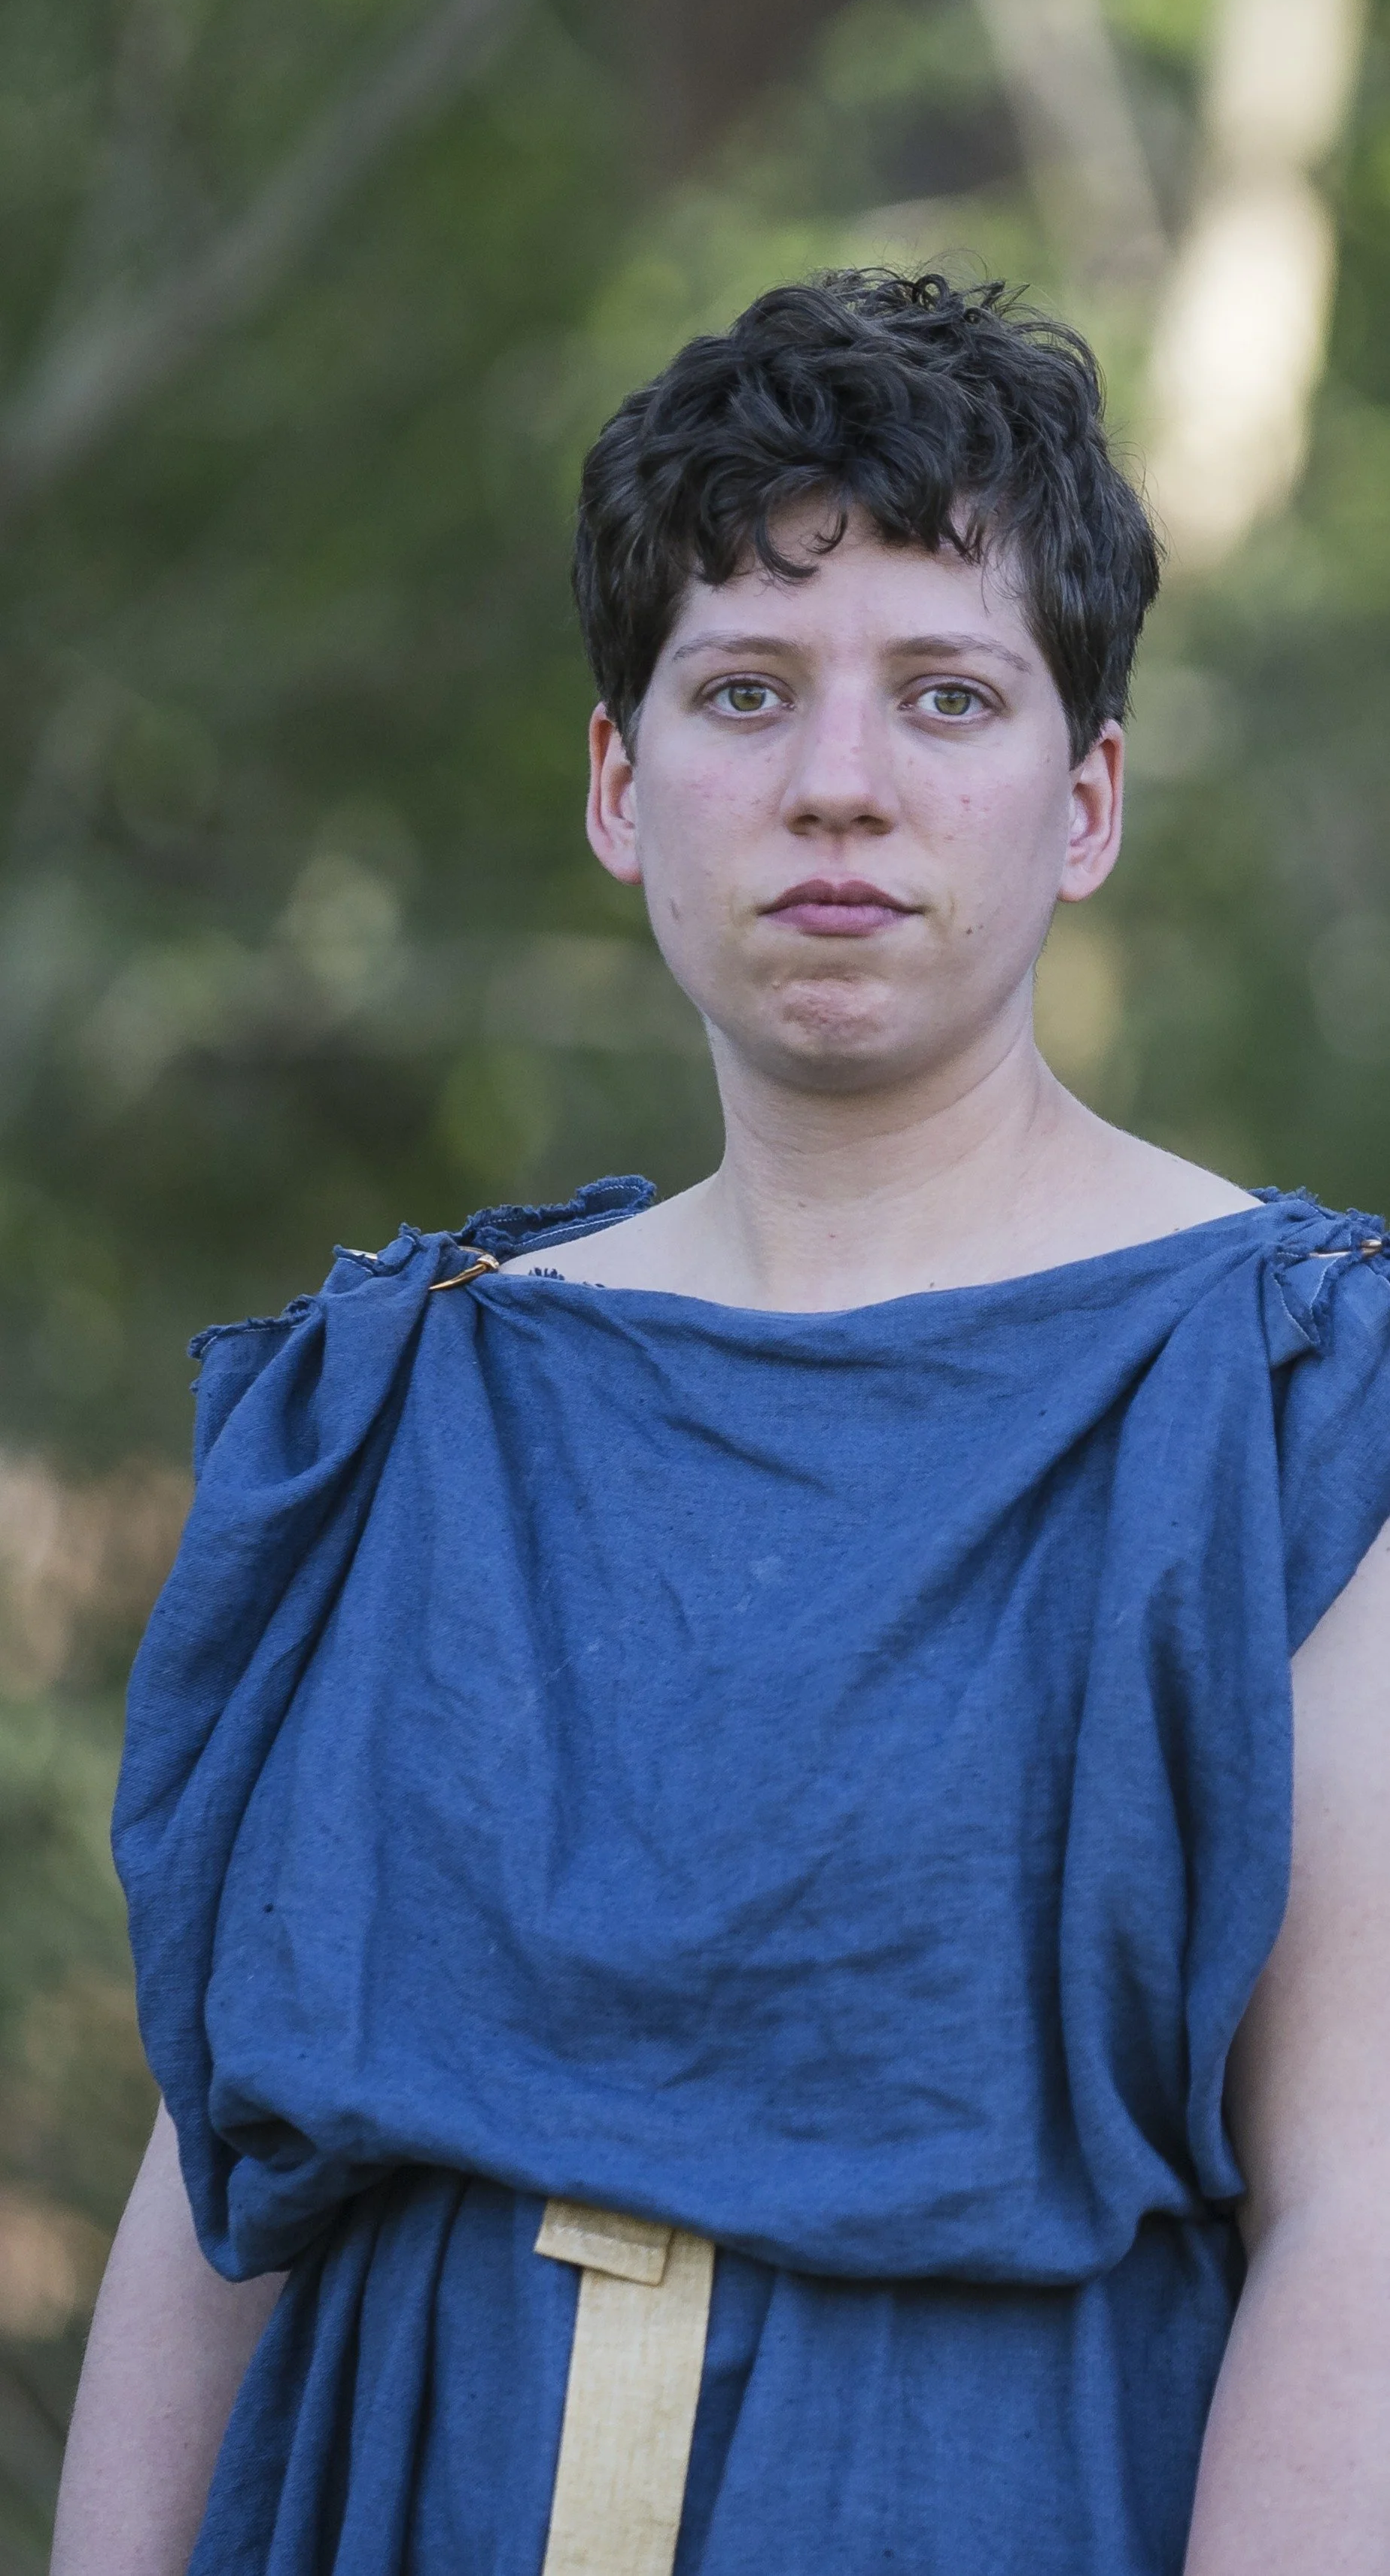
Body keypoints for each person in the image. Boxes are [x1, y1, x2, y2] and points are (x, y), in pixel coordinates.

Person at [52, 269, 1390, 2576]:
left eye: (945, 697)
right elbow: (220, 2193)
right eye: (743, 692)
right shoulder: (406, 1405)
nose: (835, 785)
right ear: (615, 778)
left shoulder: (1291, 1410)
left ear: (1081, 803)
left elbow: (1360, 2237)